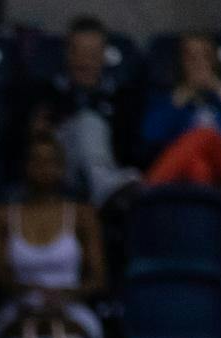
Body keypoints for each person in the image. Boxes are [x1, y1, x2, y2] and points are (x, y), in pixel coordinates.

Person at [0, 137, 105, 338]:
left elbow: (97, 277)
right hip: (21, 305)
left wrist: (63, 297)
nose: (43, 168)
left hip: (71, 304)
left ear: (62, 168)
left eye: (50, 161)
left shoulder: (82, 215)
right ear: (25, 167)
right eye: (36, 161)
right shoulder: (4, 216)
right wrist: (29, 297)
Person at [19, 15, 141, 208]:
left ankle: (104, 186)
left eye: (92, 54)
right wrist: (35, 132)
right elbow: (18, 147)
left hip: (110, 166)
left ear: (103, 56)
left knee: (90, 123)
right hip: (58, 171)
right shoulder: (44, 95)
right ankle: (106, 188)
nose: (85, 62)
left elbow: (131, 149)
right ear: (68, 54)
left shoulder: (123, 98)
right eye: (79, 53)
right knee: (87, 122)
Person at [140, 33, 221, 191]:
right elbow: (148, 140)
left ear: (215, 61)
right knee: (199, 166)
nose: (199, 64)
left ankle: (147, 192)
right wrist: (176, 105)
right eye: (192, 58)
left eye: (206, 56)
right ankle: (202, 213)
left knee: (205, 135)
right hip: (187, 179)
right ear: (181, 62)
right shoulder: (169, 100)